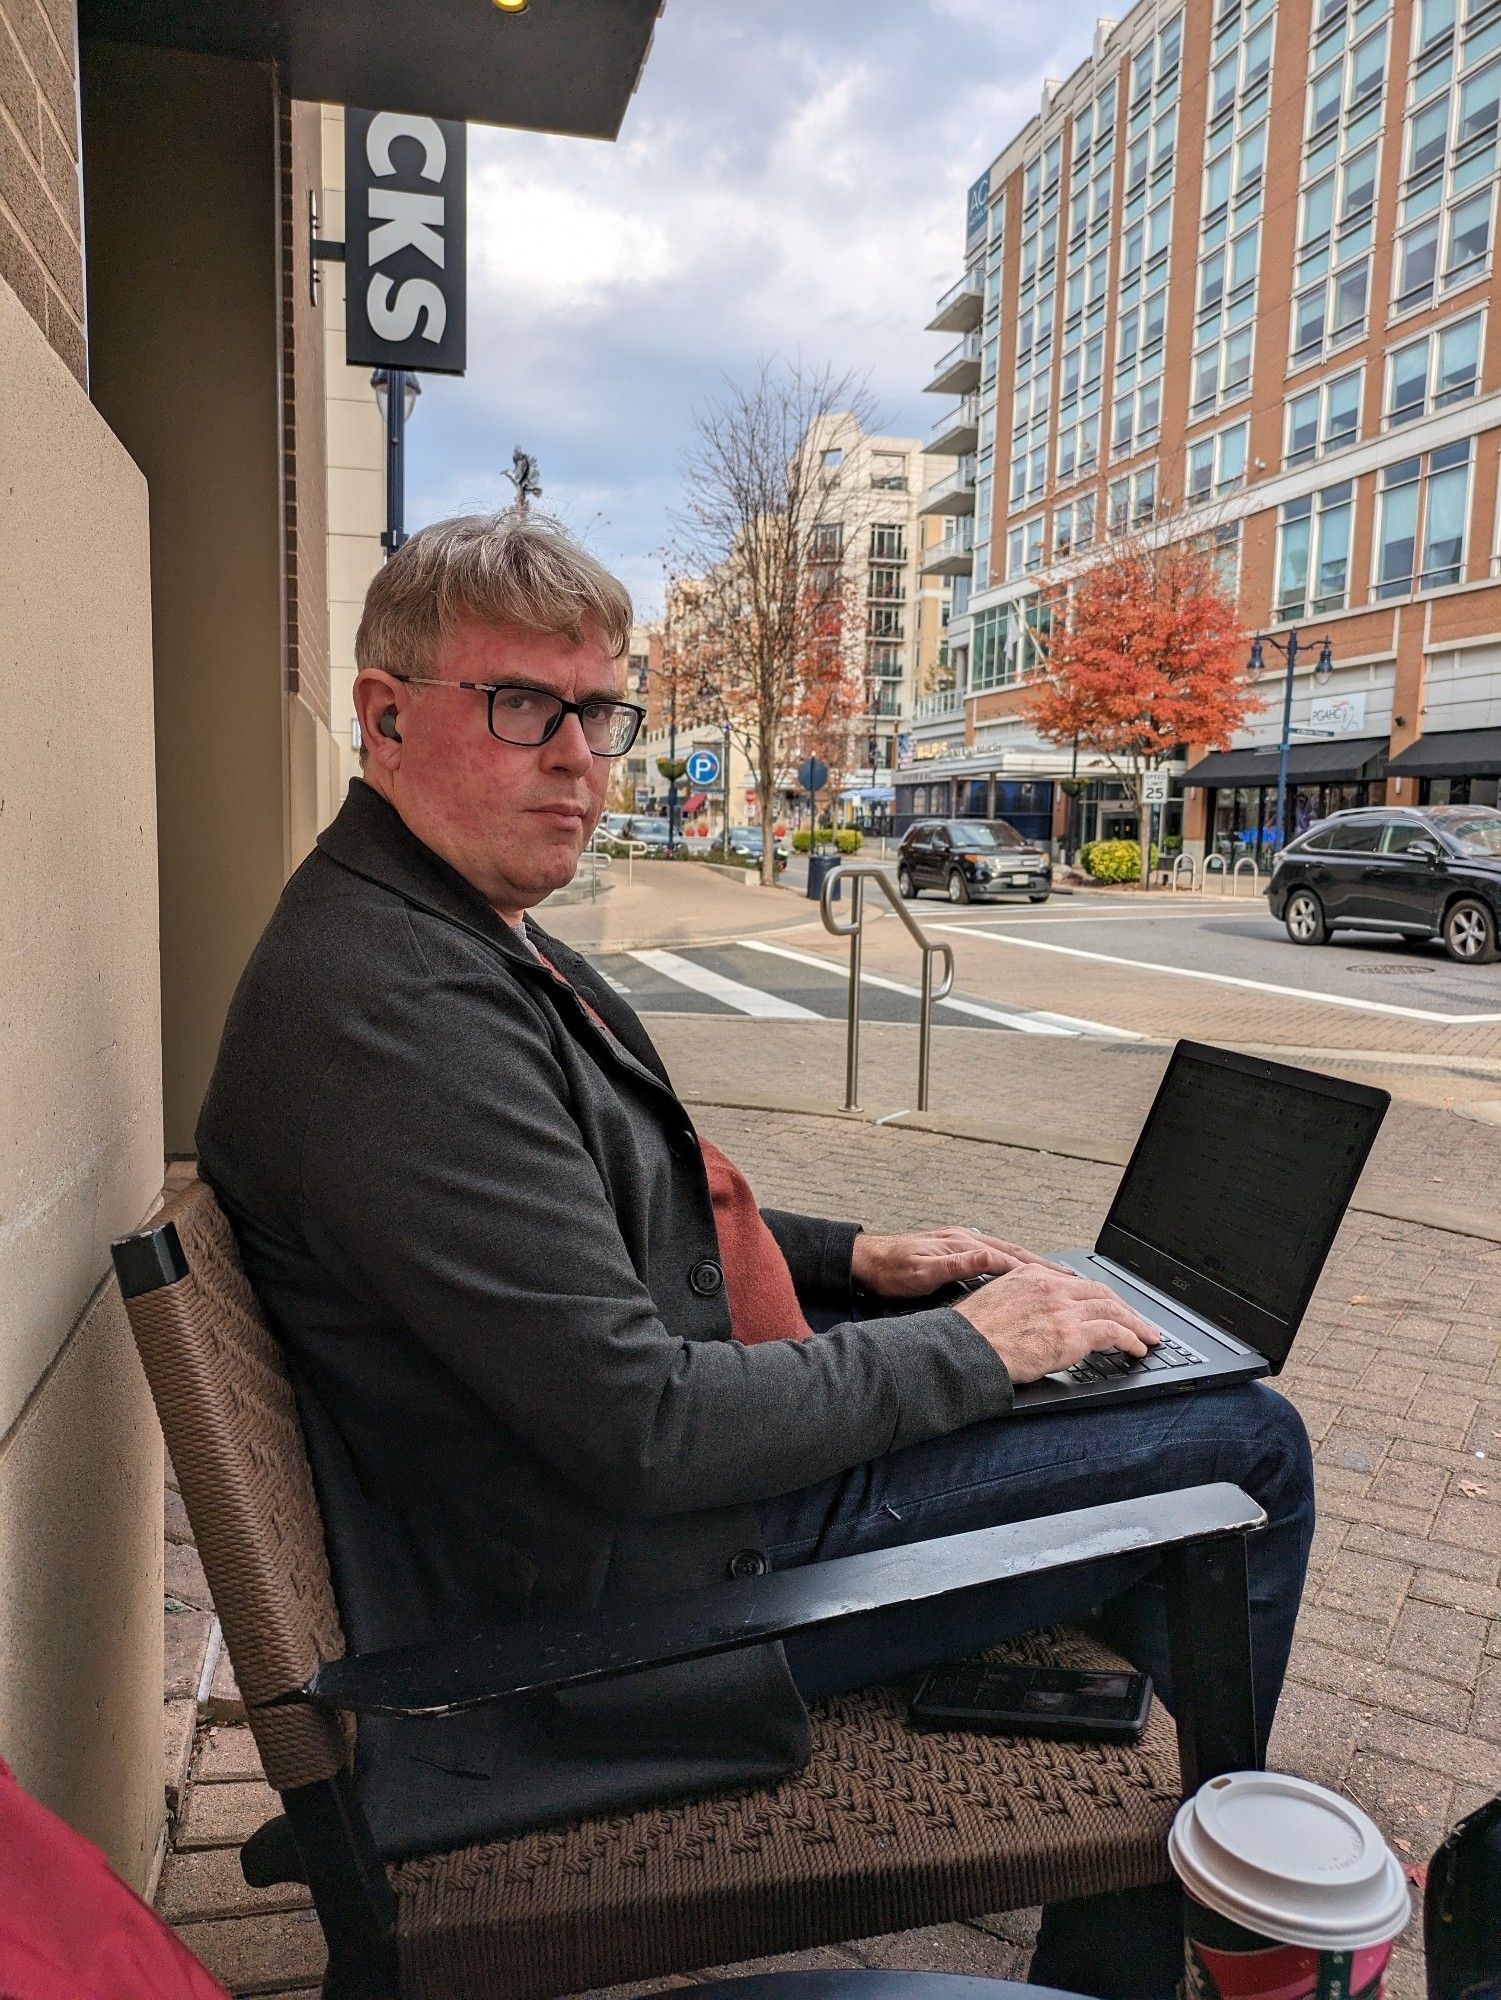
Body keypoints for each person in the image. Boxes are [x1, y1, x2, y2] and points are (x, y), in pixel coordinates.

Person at [196, 513, 1313, 1997]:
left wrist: (866, 1257)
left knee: (1111, 1403)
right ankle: (1143, 1955)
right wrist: (981, 1346)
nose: (580, 756)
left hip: (600, 1524)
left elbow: (596, 1226)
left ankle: (1104, 1867)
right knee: (1236, 1447)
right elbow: (642, 1429)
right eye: (522, 704)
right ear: (385, 715)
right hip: (624, 1608)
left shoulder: (443, 925)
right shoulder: (387, 1008)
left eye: (600, 712)